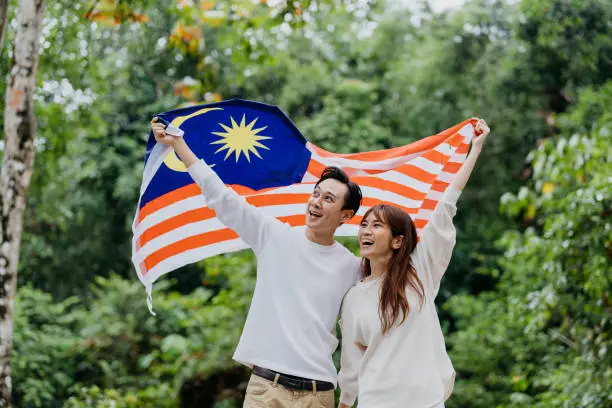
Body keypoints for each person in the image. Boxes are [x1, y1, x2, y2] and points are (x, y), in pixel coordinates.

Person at [151, 117, 363, 408]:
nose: (316, 202)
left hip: (318, 394)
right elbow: (222, 198)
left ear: (345, 215)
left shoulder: (352, 268)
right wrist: (179, 145)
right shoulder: (273, 236)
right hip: (267, 390)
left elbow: (360, 332)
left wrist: (349, 395)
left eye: (328, 199)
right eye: (315, 193)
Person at [337, 119, 491, 408]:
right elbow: (351, 362)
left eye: (377, 226)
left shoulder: (419, 272)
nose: (366, 231)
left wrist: (476, 149)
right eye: (364, 225)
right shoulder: (355, 296)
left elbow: (446, 206)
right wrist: (345, 403)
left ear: (397, 240)